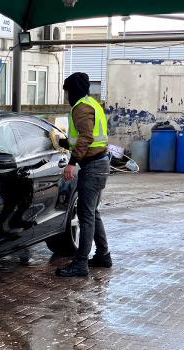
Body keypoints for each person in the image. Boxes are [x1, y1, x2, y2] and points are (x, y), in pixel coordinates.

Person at [56, 72, 112, 277]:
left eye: (67, 92)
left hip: (93, 166)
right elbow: (83, 136)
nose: (67, 96)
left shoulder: (81, 107)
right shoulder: (92, 103)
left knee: (86, 216)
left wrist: (72, 163)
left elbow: (86, 137)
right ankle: (103, 256)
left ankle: (81, 264)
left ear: (73, 90)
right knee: (93, 213)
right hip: (100, 163)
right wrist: (63, 143)